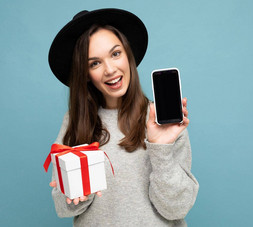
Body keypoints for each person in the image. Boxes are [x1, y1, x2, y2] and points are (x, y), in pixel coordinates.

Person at [47, 8, 199, 226]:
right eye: (95, 63)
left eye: (115, 54)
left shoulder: (162, 120)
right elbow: (63, 207)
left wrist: (161, 149)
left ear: (128, 55)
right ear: (86, 74)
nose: (110, 69)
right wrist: (77, 183)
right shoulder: (74, 121)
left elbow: (177, 208)